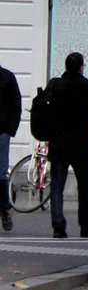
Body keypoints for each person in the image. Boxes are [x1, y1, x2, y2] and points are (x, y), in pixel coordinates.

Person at [48, 52, 88, 239]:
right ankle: (86, 224)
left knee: (57, 186)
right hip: (81, 144)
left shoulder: (55, 85)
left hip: (59, 143)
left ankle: (58, 226)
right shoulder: (86, 86)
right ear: (81, 67)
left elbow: (45, 107)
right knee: (84, 186)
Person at [0, 61, 22, 232]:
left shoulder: (7, 77)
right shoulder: (7, 76)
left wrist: (10, 129)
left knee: (1, 174)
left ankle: (4, 209)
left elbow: (16, 104)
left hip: (2, 132)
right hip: (4, 131)